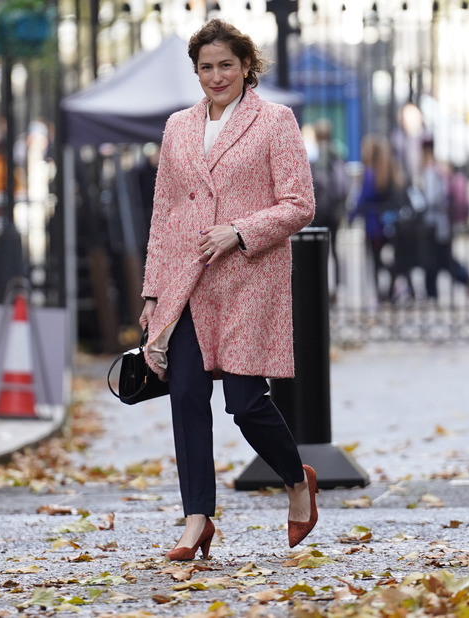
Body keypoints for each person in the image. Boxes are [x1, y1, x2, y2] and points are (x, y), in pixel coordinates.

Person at [138, 19, 318, 561]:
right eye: (206, 67)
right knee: (187, 395)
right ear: (195, 71)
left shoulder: (276, 121)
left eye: (226, 65)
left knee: (245, 403)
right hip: (186, 281)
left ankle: (296, 480)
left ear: (246, 67)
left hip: (247, 280)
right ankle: (196, 519)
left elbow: (300, 204)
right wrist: (153, 293)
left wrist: (240, 231)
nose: (216, 76)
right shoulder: (177, 126)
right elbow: (165, 214)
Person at [348, 134, 407, 303]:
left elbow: (362, 199)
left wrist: (351, 215)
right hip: (389, 224)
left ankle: (381, 294)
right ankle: (391, 290)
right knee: (389, 259)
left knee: (375, 261)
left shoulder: (369, 174)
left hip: (373, 226)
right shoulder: (390, 171)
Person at [420, 138, 469, 301]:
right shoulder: (438, 170)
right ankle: (460, 280)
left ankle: (434, 293)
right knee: (441, 259)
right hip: (441, 223)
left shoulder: (431, 171)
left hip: (435, 223)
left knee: (436, 259)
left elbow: (431, 198)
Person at [309, 118, 349, 291]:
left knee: (320, 250)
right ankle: (337, 286)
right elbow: (343, 186)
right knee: (334, 248)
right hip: (334, 210)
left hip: (320, 211)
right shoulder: (337, 155)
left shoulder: (314, 156)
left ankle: (321, 285)